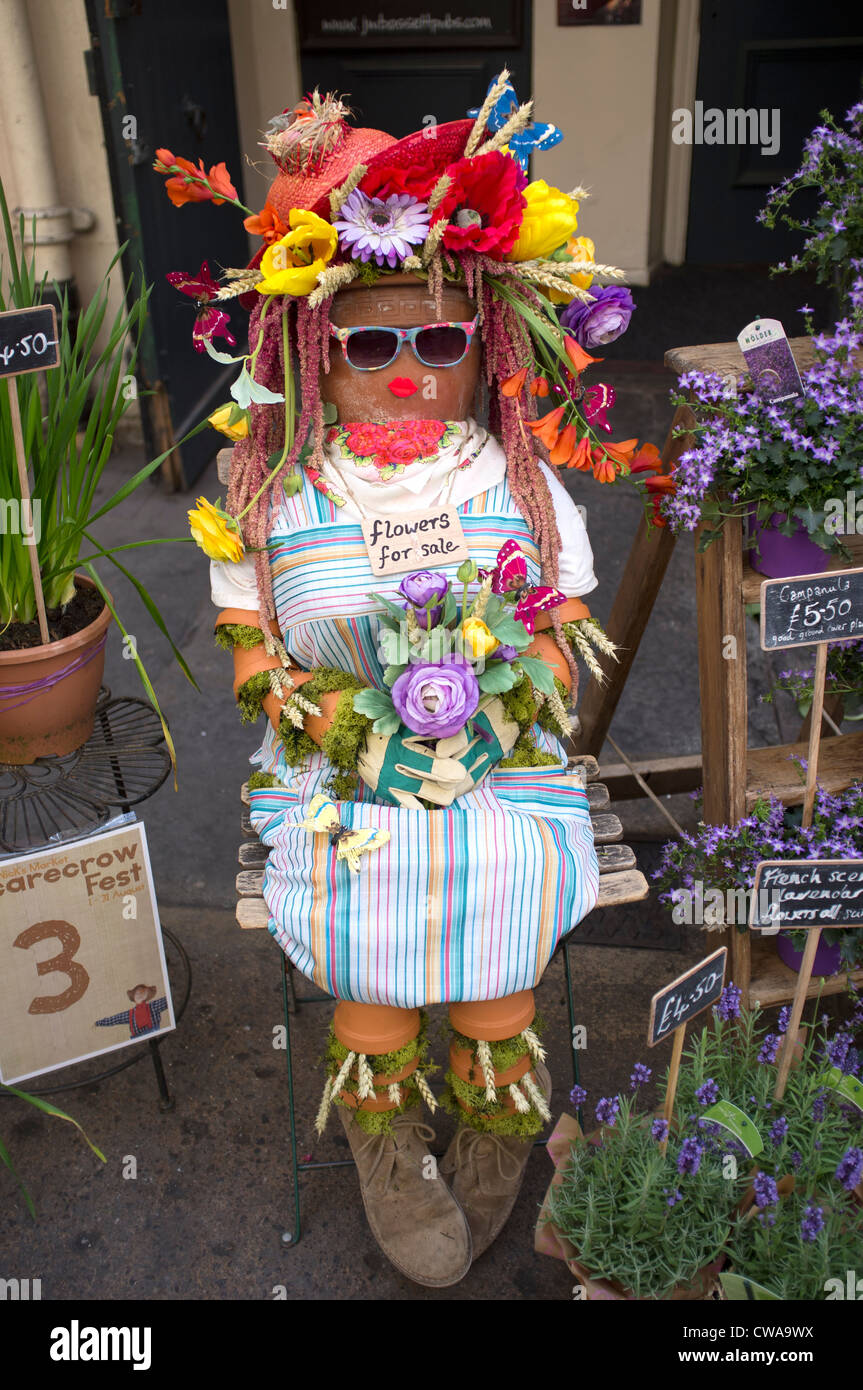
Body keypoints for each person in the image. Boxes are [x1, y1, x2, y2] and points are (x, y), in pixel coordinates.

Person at [165, 76, 633, 1287]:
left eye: (440, 339)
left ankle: (493, 1122)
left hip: (500, 765)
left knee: (503, 891)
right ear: (319, 349)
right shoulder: (269, 491)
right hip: (340, 772)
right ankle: (383, 1134)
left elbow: (558, 628)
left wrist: (508, 715)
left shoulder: (516, 483)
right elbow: (252, 655)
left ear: (480, 348)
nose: (410, 368)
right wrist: (347, 737)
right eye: (373, 340)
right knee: (369, 929)